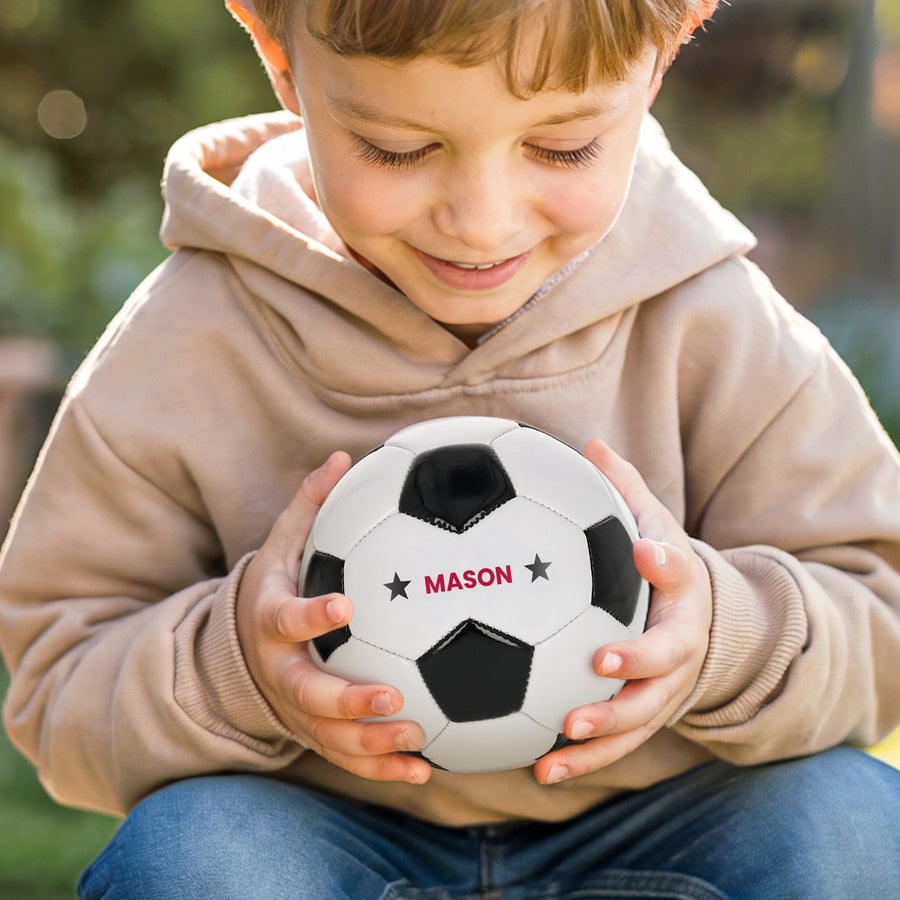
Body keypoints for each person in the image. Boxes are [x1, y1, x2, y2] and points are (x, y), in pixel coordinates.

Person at [2, 0, 900, 896]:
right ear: (279, 55)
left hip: (675, 822)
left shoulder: (716, 320)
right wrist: (239, 668)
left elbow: (878, 608)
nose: (481, 221)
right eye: (397, 148)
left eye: (562, 147)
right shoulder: (184, 345)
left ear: (665, 51)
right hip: (319, 838)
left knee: (854, 826)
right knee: (194, 861)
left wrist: (723, 639)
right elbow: (60, 685)